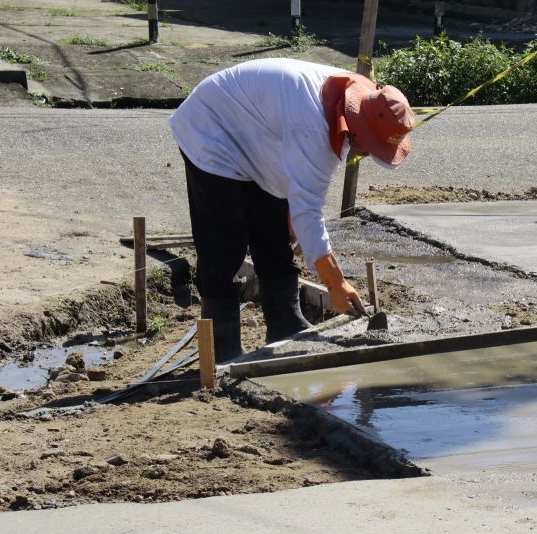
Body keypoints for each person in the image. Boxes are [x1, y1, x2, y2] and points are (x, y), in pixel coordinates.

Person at [169, 58, 415, 362]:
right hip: (211, 126)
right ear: (359, 128)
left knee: (273, 232)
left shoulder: (359, 98)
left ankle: (285, 322)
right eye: (368, 148)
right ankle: (222, 344)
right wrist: (335, 282)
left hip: (256, 131)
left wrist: (294, 216)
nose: (364, 154)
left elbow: (300, 195)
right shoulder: (312, 124)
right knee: (224, 243)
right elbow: (308, 209)